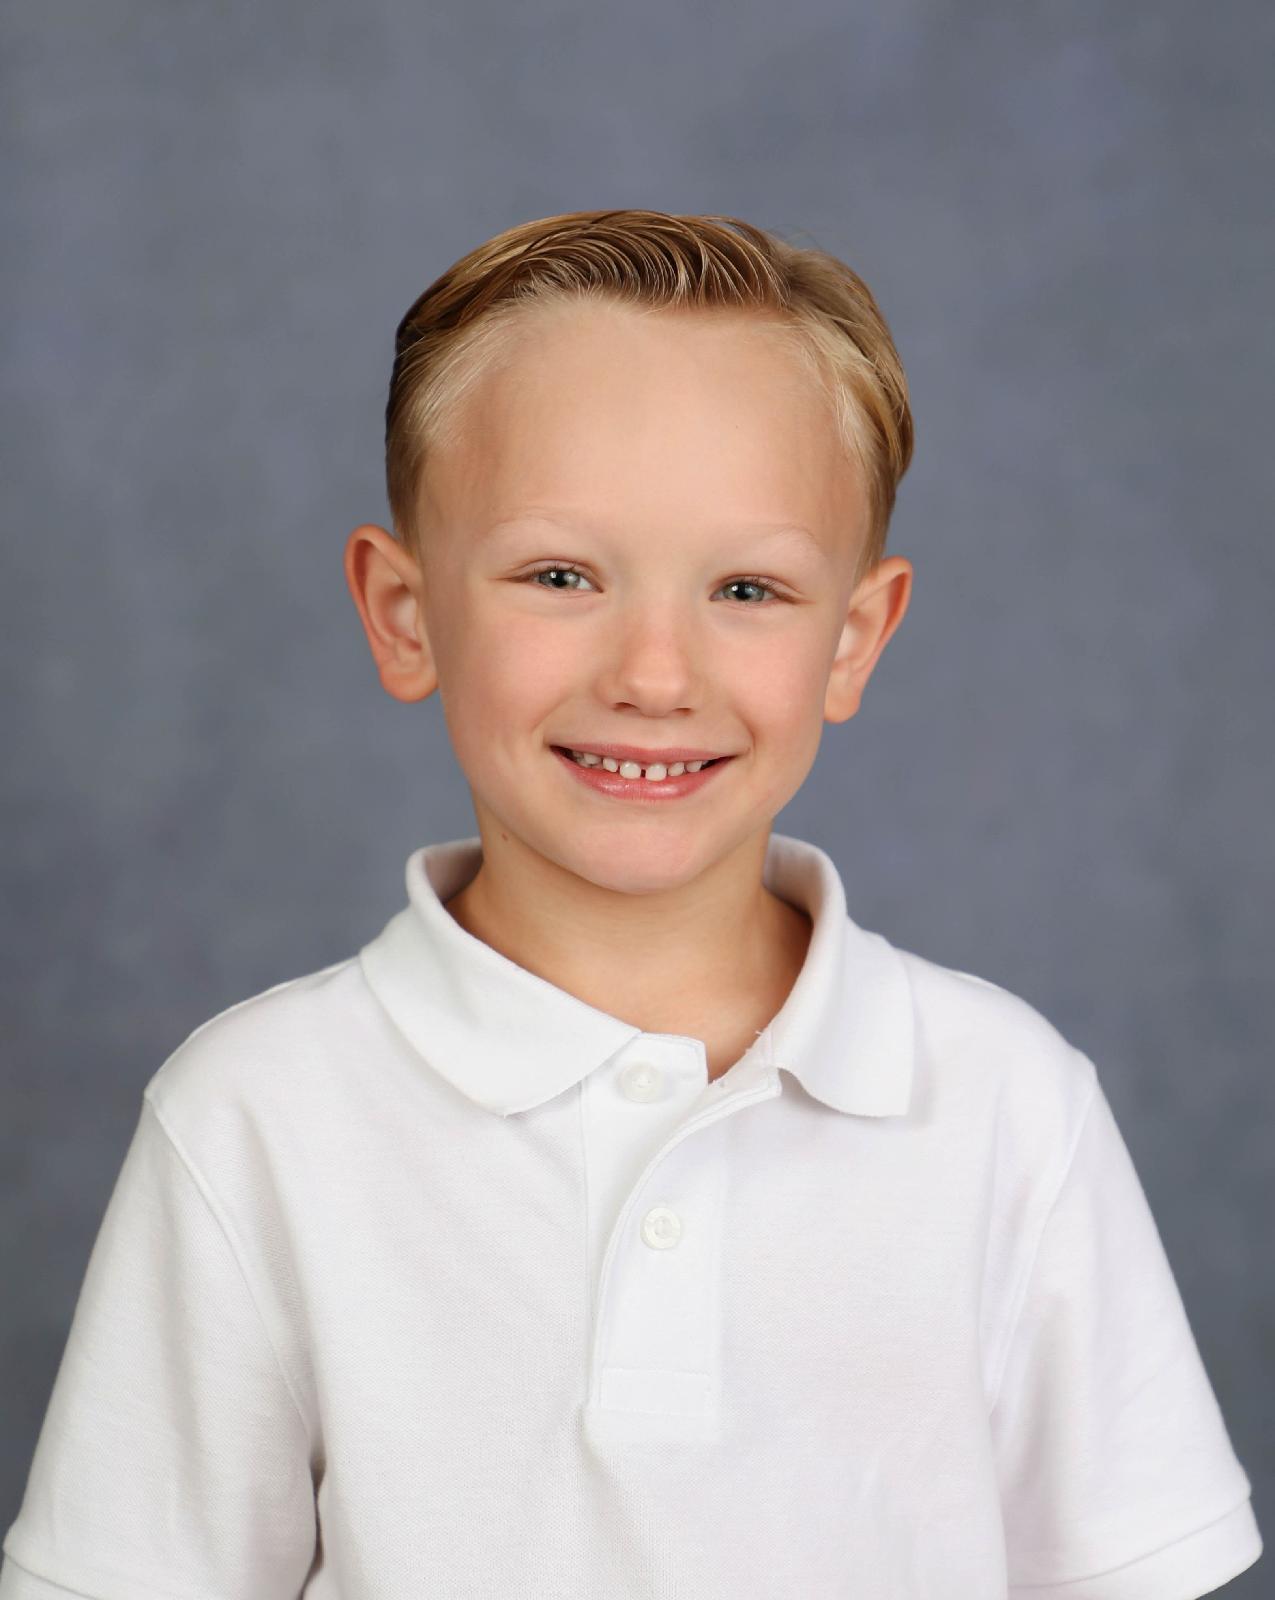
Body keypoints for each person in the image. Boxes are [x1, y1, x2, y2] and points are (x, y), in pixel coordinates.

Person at [0, 209, 1262, 1599]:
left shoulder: (1008, 1107)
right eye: (560, 576)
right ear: (405, 614)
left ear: (854, 639)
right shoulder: (256, 1118)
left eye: (748, 588)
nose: (655, 675)